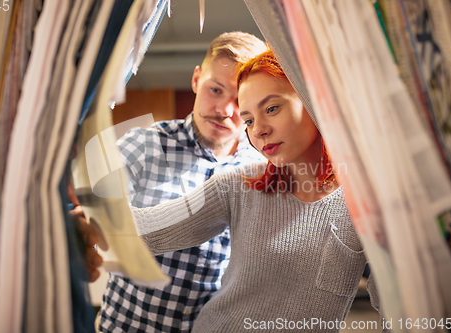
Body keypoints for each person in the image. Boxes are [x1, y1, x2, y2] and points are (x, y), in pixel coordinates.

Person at [130, 49, 388, 332]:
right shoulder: (237, 186)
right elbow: (148, 231)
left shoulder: (367, 204)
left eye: (272, 108)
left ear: (315, 101)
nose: (258, 131)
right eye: (249, 120)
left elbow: (401, 307)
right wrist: (83, 216)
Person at [98, 32, 268, 332]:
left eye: (240, 101)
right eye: (215, 89)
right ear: (196, 80)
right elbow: (97, 217)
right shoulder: (142, 145)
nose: (225, 111)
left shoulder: (260, 171)